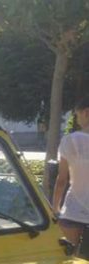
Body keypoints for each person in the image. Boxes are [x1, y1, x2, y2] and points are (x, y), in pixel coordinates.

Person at [53, 96, 89, 249]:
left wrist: (55, 207)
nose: (77, 119)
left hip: (73, 209)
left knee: (68, 255)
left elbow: (62, 180)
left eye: (77, 115)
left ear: (86, 112)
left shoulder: (70, 141)